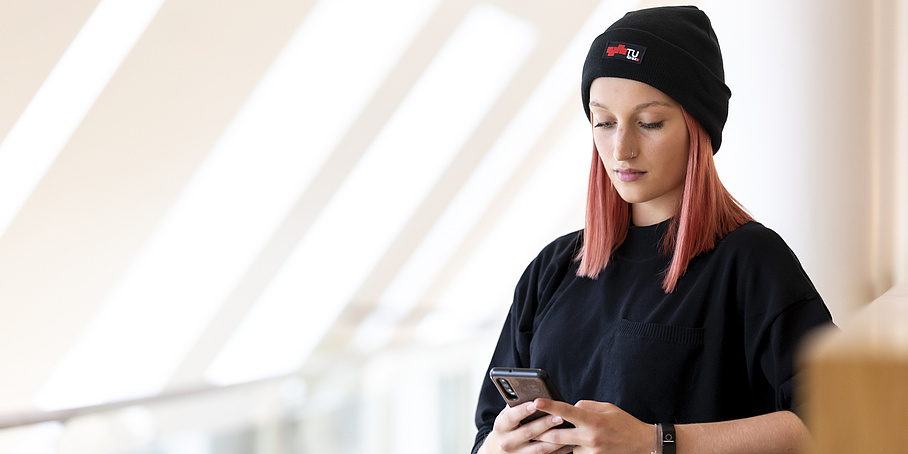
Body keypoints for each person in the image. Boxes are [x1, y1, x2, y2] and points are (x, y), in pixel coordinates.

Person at [471, 6, 835, 454]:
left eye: (649, 123)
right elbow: (487, 430)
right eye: (603, 122)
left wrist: (655, 441)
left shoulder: (751, 261)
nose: (621, 148)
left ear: (696, 125)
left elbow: (834, 419)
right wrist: (497, 448)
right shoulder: (551, 270)